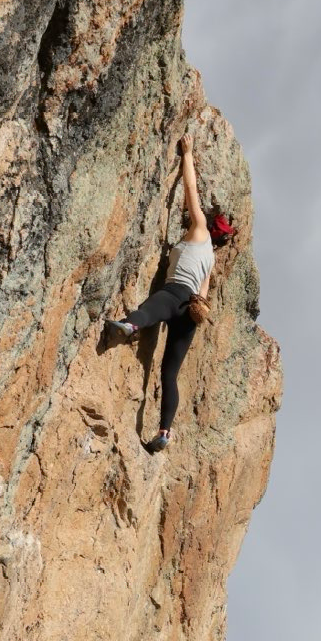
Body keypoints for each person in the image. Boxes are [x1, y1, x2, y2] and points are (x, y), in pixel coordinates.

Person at [106, 136, 235, 451]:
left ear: (209, 228)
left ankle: (130, 325)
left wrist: (187, 155)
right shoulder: (210, 260)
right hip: (191, 312)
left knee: (151, 309)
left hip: (176, 292)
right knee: (170, 373)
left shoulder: (199, 229)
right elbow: (202, 294)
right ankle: (165, 431)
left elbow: (191, 191)